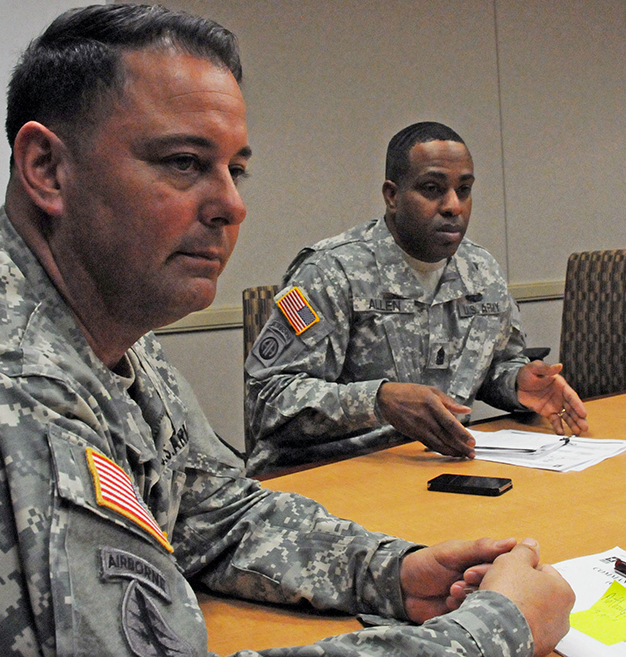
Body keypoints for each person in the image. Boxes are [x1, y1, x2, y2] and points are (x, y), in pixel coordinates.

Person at [0, 6, 574, 657]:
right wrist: (491, 631)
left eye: (235, 170)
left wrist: (388, 571)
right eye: (184, 163)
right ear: (47, 168)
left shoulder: (109, 329)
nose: (230, 205)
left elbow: (215, 510)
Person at [245, 122, 589, 475]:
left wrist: (518, 385)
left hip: (435, 469)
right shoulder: (332, 272)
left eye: (464, 189)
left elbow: (495, 367)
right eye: (432, 189)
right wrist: (379, 400)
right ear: (392, 196)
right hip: (327, 473)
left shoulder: (481, 270)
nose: (453, 205)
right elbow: (267, 400)